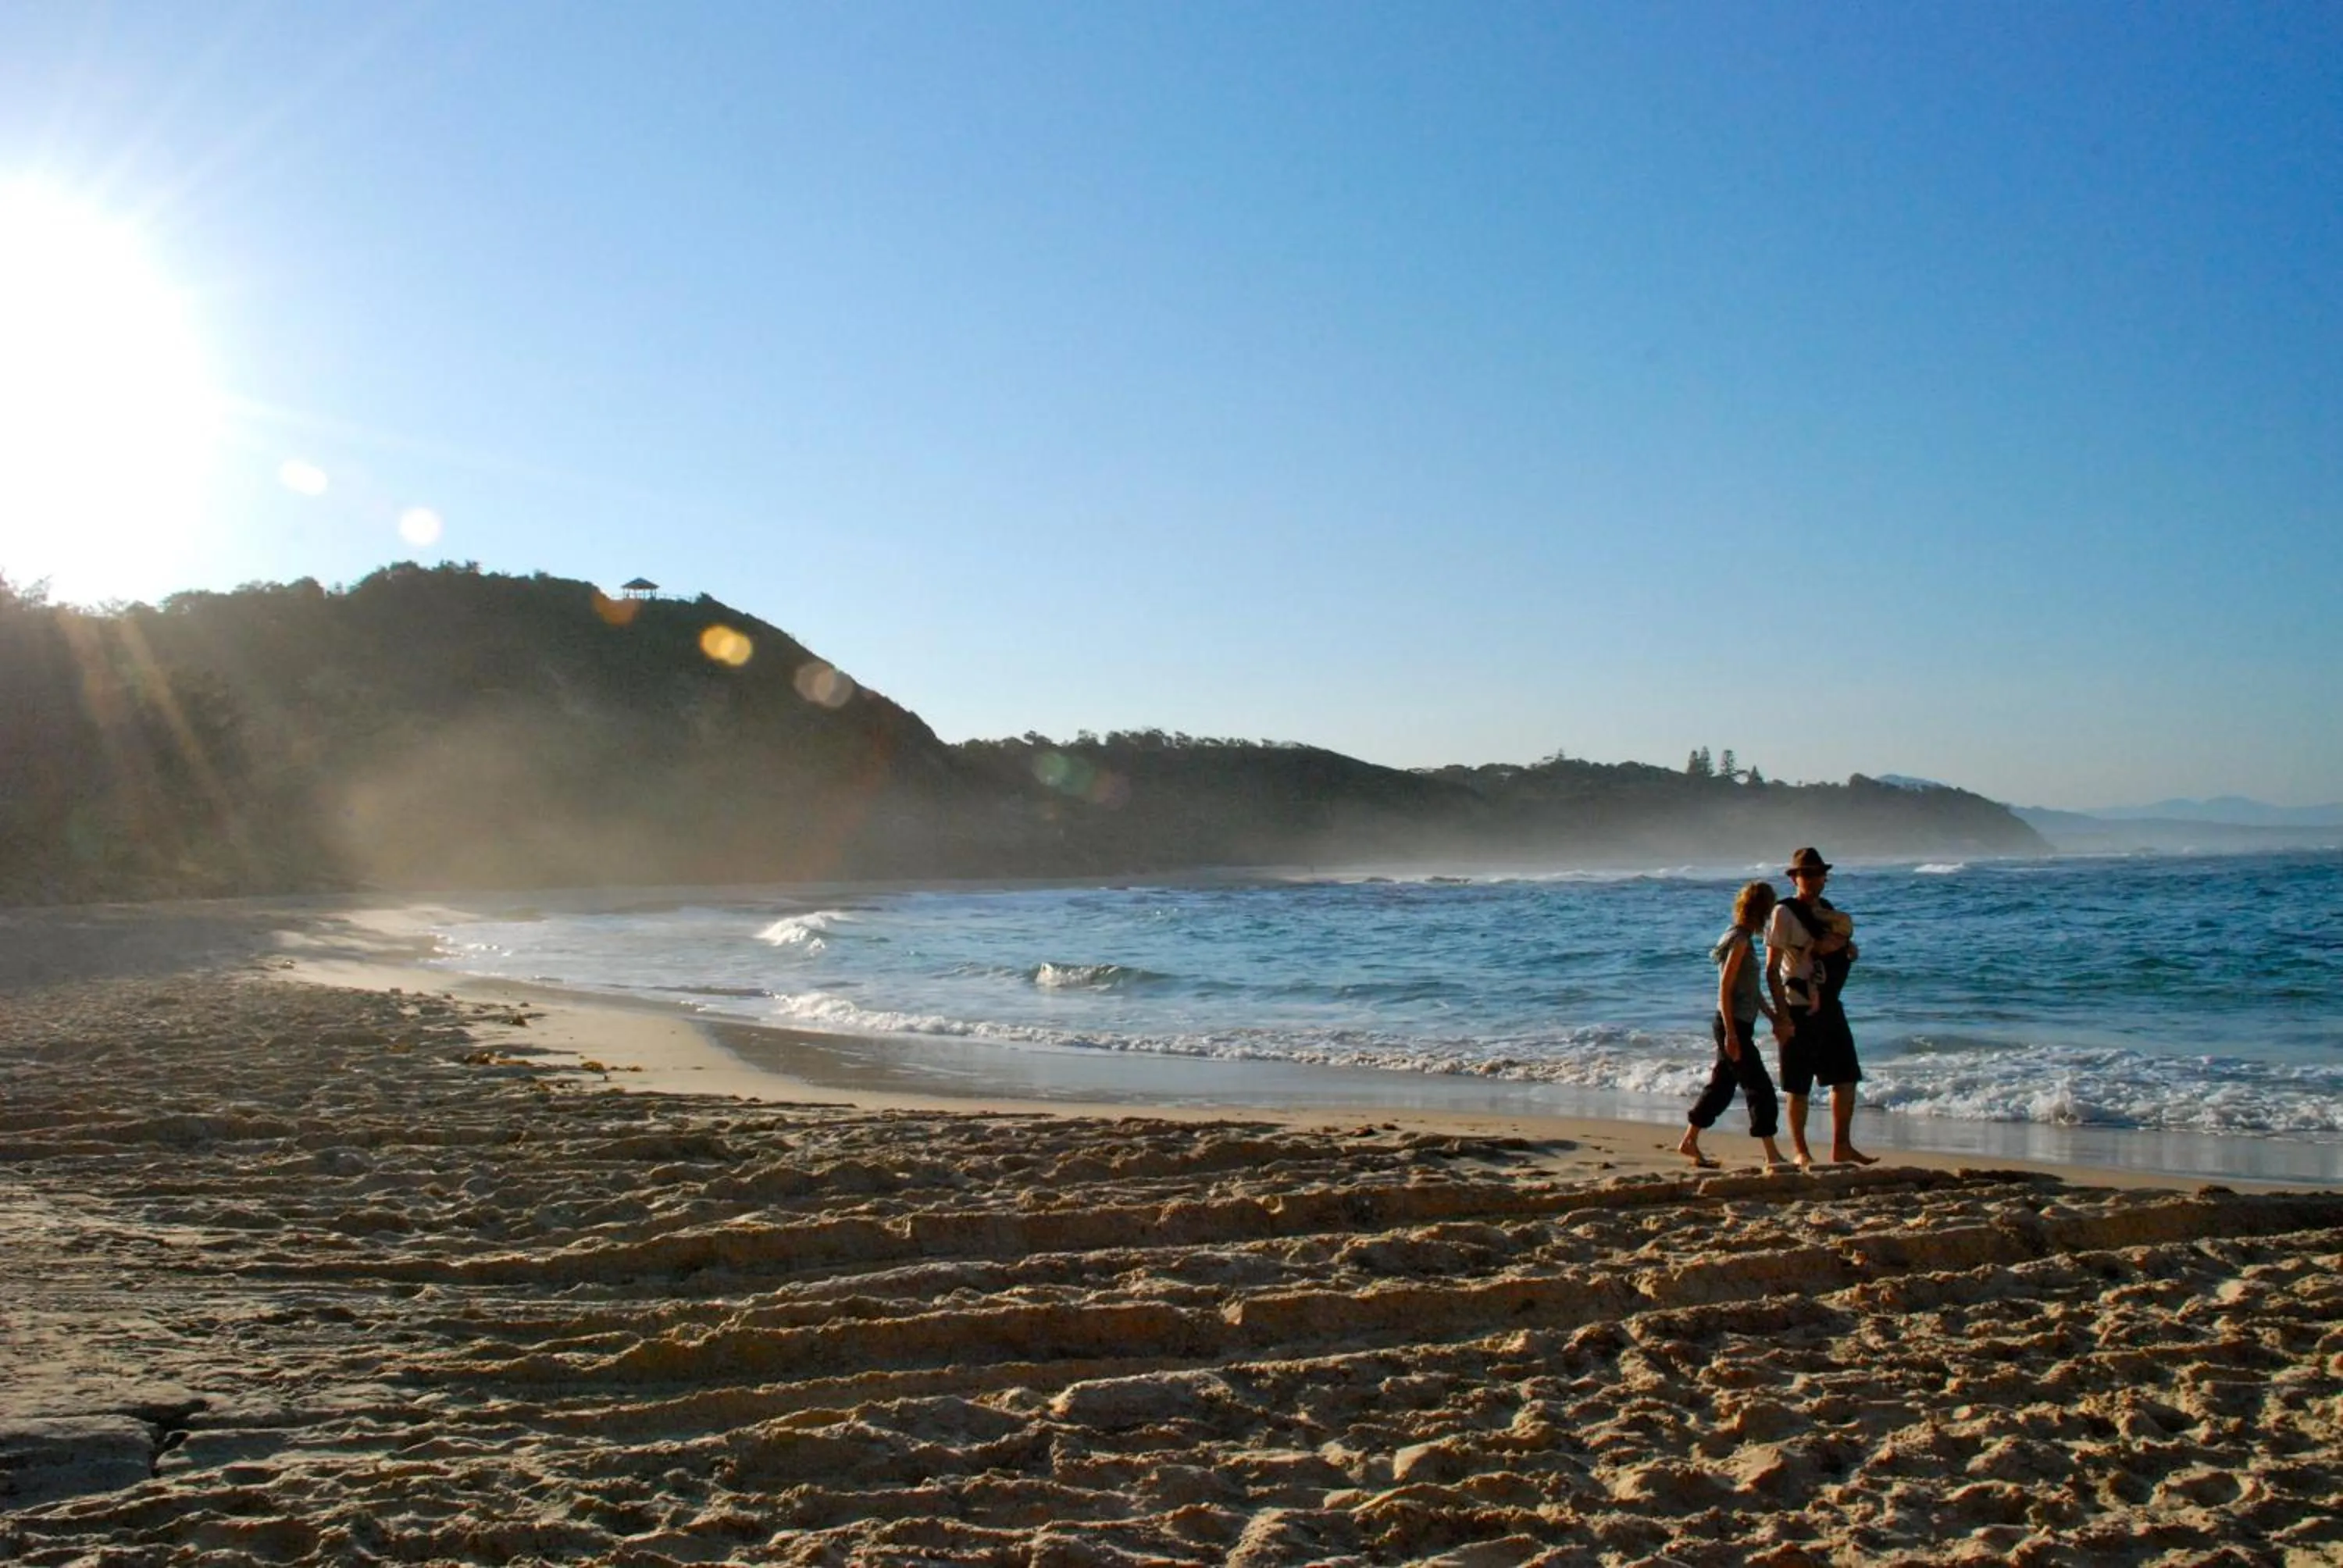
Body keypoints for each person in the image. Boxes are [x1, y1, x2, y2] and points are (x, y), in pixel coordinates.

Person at [1767, 846, 1875, 1167]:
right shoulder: (1783, 913)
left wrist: (1847, 946)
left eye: (1819, 874)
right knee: (1797, 1086)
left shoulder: (1827, 911)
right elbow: (1772, 968)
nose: (1815, 880)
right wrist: (1780, 1015)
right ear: (1794, 878)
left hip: (1830, 1004)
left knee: (1845, 1078)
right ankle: (1801, 1151)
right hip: (1798, 1007)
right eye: (1808, 874)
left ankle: (1842, 1146)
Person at [1679, 880, 1790, 1171]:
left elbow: (1751, 991)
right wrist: (1731, 1034)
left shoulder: (1740, 937)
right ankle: (1772, 1155)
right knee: (1760, 1088)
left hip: (1739, 1023)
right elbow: (1725, 990)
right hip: (1733, 1025)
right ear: (1762, 910)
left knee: (1722, 1087)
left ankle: (1689, 1140)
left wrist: (1772, 1015)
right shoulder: (1739, 940)